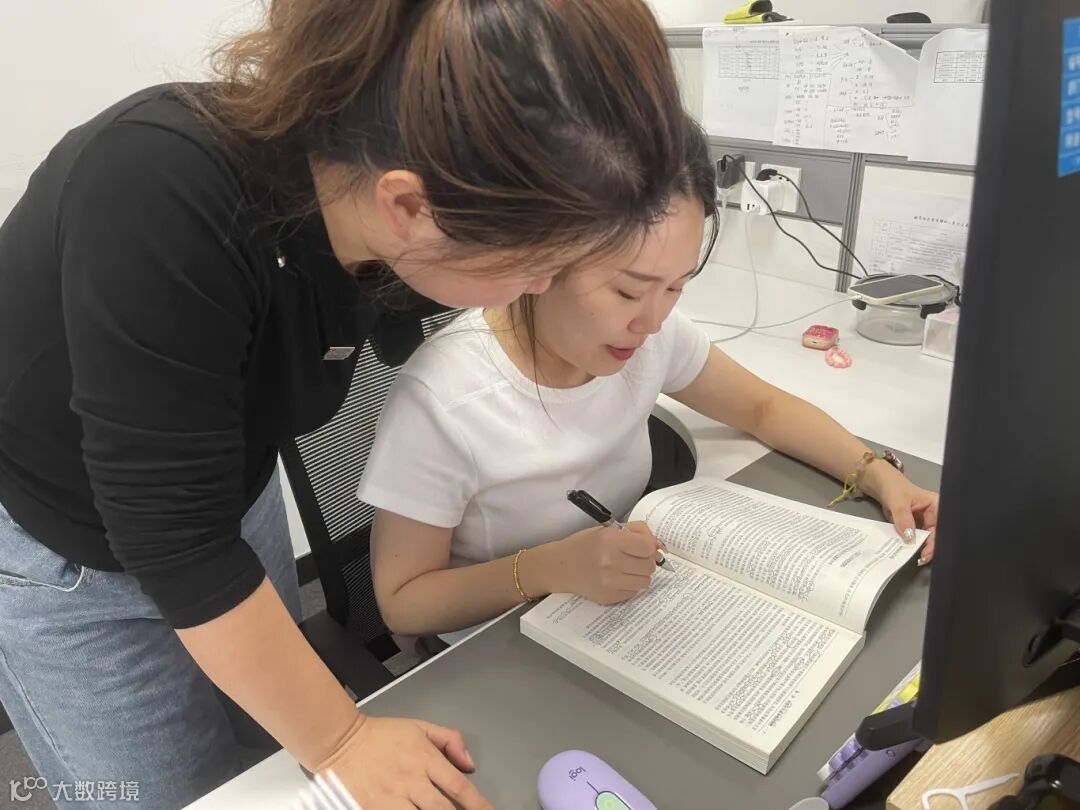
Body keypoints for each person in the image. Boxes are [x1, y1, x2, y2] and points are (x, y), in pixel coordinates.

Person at [0, 0, 698, 806]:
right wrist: (344, 739)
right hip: (67, 545)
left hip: (226, 491)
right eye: (539, 262)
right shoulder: (157, 191)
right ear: (409, 207)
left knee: (267, 754)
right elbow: (176, 541)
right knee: (166, 793)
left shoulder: (367, 191)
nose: (546, 285)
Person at [357, 121, 941, 646]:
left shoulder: (648, 336)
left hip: (622, 611)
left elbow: (763, 407)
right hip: (496, 647)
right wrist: (548, 568)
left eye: (676, 287)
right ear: (541, 261)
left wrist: (880, 476)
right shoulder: (445, 398)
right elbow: (402, 604)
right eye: (629, 291)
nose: (653, 321)